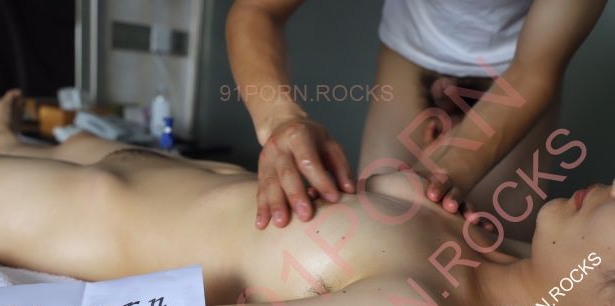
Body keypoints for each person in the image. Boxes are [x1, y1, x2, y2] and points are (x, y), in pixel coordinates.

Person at [0, 91, 613, 306]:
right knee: (31, 144)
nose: (609, 186)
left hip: (77, 215)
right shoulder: (497, 244)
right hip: (161, 170)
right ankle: (6, 136)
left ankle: (5, 143)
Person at [226, 0, 607, 239]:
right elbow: (257, 11)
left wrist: (446, 174)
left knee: (487, 251)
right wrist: (280, 120)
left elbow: (532, 73)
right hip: (409, 60)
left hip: (516, 75)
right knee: (375, 229)